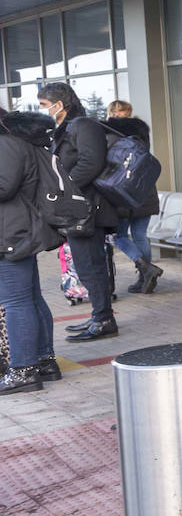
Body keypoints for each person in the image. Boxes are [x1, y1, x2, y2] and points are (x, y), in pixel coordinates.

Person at [38, 83, 119, 341]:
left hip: (88, 208)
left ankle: (104, 320)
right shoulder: (67, 128)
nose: (42, 109)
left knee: (91, 266)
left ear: (59, 105)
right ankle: (99, 315)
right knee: (85, 266)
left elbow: (91, 162)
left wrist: (65, 189)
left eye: (43, 104)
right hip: (78, 208)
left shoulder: (84, 126)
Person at [0, 110, 62, 393]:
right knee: (30, 298)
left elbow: (5, 187)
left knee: (16, 302)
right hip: (18, 229)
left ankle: (23, 370)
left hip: (11, 232)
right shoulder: (17, 143)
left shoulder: (6, 144)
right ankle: (44, 361)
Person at [104, 100, 164, 294]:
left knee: (120, 236)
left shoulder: (110, 133)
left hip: (121, 190)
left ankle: (146, 269)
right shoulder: (141, 133)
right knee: (140, 236)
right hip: (144, 189)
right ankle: (144, 277)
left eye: (117, 112)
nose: (117, 114)